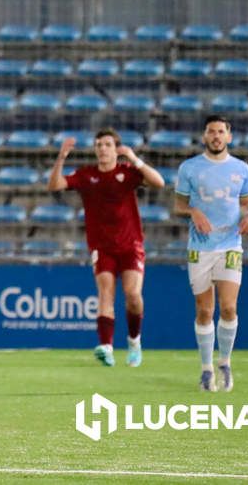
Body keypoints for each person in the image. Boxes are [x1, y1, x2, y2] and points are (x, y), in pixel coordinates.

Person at [48, 128, 165, 367]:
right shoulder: (86, 175)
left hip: (131, 245)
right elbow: (55, 185)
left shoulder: (127, 173)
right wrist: (61, 157)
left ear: (116, 149)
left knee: (133, 295)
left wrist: (133, 158)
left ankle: (134, 341)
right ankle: (107, 347)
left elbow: (159, 183)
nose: (102, 148)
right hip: (102, 247)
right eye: (99, 144)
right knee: (105, 293)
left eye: (107, 144)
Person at [174, 115, 248, 392]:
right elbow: (178, 205)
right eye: (212, 131)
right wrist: (193, 211)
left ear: (229, 137)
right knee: (204, 310)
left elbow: (247, 202)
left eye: (221, 132)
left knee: (230, 307)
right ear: (205, 136)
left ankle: (225, 363)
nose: (217, 136)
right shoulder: (190, 168)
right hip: (200, 248)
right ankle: (206, 368)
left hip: (230, 245)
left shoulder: (241, 169)